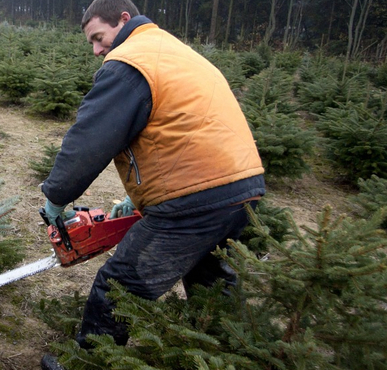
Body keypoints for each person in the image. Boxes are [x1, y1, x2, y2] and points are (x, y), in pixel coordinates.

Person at [40, 0, 265, 367]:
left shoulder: (129, 63)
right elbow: (177, 128)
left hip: (195, 199)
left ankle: (89, 363)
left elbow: (90, 141)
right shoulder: (172, 50)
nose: (97, 50)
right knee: (211, 281)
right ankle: (232, 356)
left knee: (120, 282)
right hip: (243, 186)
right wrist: (142, 200)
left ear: (123, 19)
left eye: (99, 37)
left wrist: (55, 197)